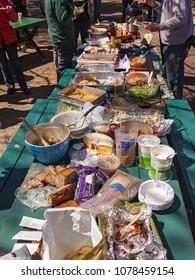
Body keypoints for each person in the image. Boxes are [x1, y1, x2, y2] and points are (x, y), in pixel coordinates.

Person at [145, 0, 194, 99]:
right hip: (170, 39)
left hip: (176, 41)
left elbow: (181, 17)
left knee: (174, 80)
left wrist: (159, 26)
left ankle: (176, 106)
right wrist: (155, 5)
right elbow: (167, 12)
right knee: (170, 76)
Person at [0, 0, 31, 95]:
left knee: (16, 64)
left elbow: (14, 19)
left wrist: (10, 12)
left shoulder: (4, 2)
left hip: (9, 38)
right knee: (3, 65)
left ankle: (23, 86)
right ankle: (10, 86)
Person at [44, 0, 75, 82]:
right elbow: (64, 19)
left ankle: (61, 87)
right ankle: (62, 89)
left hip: (56, 36)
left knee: (59, 66)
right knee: (64, 70)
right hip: (63, 37)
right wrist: (71, 5)